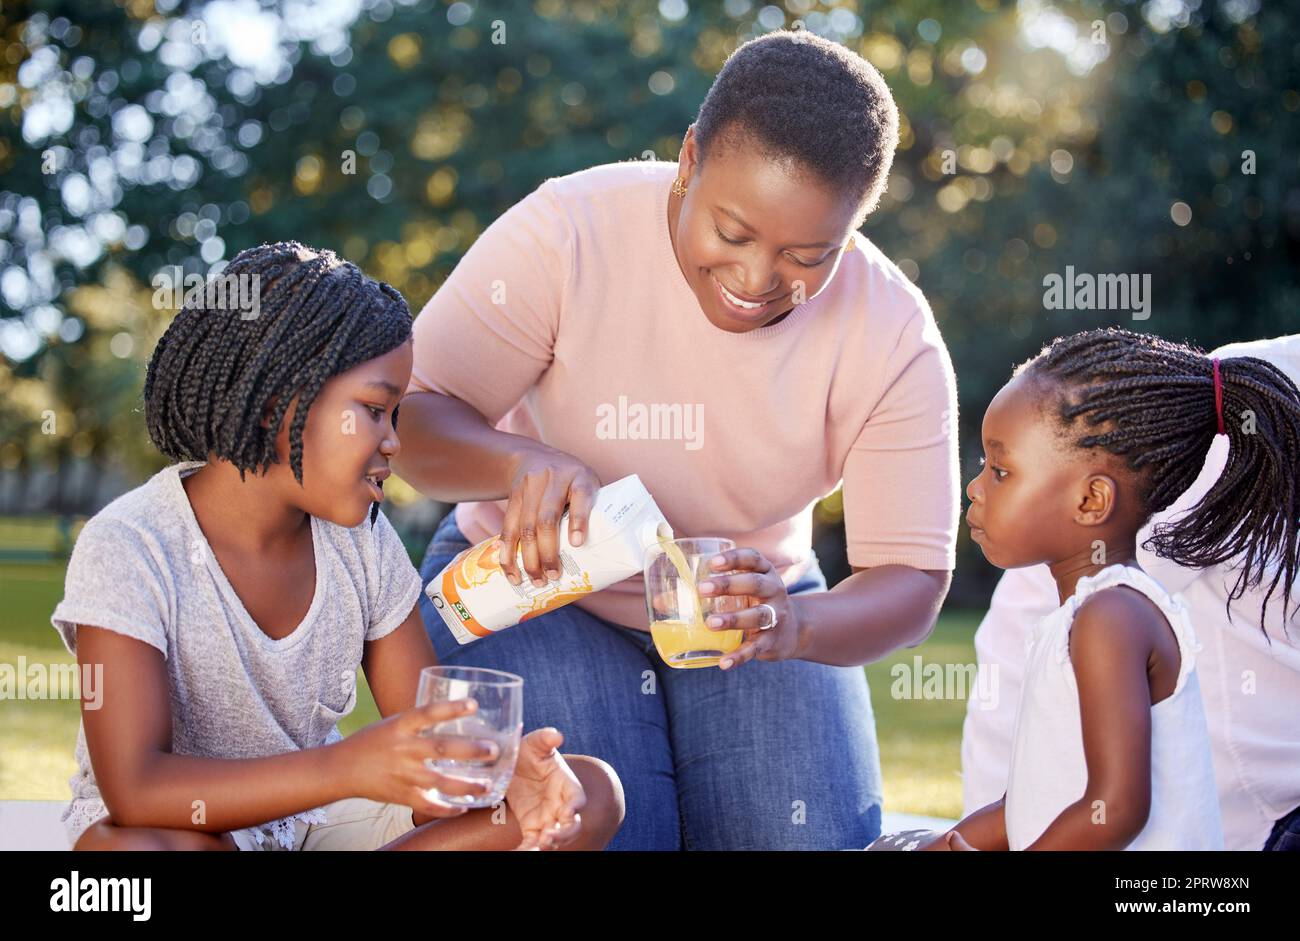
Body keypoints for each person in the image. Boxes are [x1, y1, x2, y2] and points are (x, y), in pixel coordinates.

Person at [394, 30, 959, 849]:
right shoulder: (568, 232)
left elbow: (909, 577)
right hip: (526, 588)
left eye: (808, 255)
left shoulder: (894, 335)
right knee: (609, 830)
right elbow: (410, 414)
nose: (757, 281)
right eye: (732, 232)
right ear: (690, 158)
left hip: (749, 612)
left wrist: (796, 628)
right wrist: (523, 462)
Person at [51, 242, 623, 851]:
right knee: (140, 853)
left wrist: (507, 776)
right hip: (181, 826)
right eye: (376, 410)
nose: (393, 443)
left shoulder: (361, 543)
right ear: (278, 404)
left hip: (314, 824)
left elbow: (431, 743)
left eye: (397, 415)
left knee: (589, 792)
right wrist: (348, 766)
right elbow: (135, 790)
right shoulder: (131, 545)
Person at [926, 328, 1299, 850]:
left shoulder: (1112, 618)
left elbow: (1116, 809)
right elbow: (1040, 798)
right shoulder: (1083, 615)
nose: (975, 487)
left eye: (1001, 471)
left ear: (1091, 501)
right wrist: (947, 842)